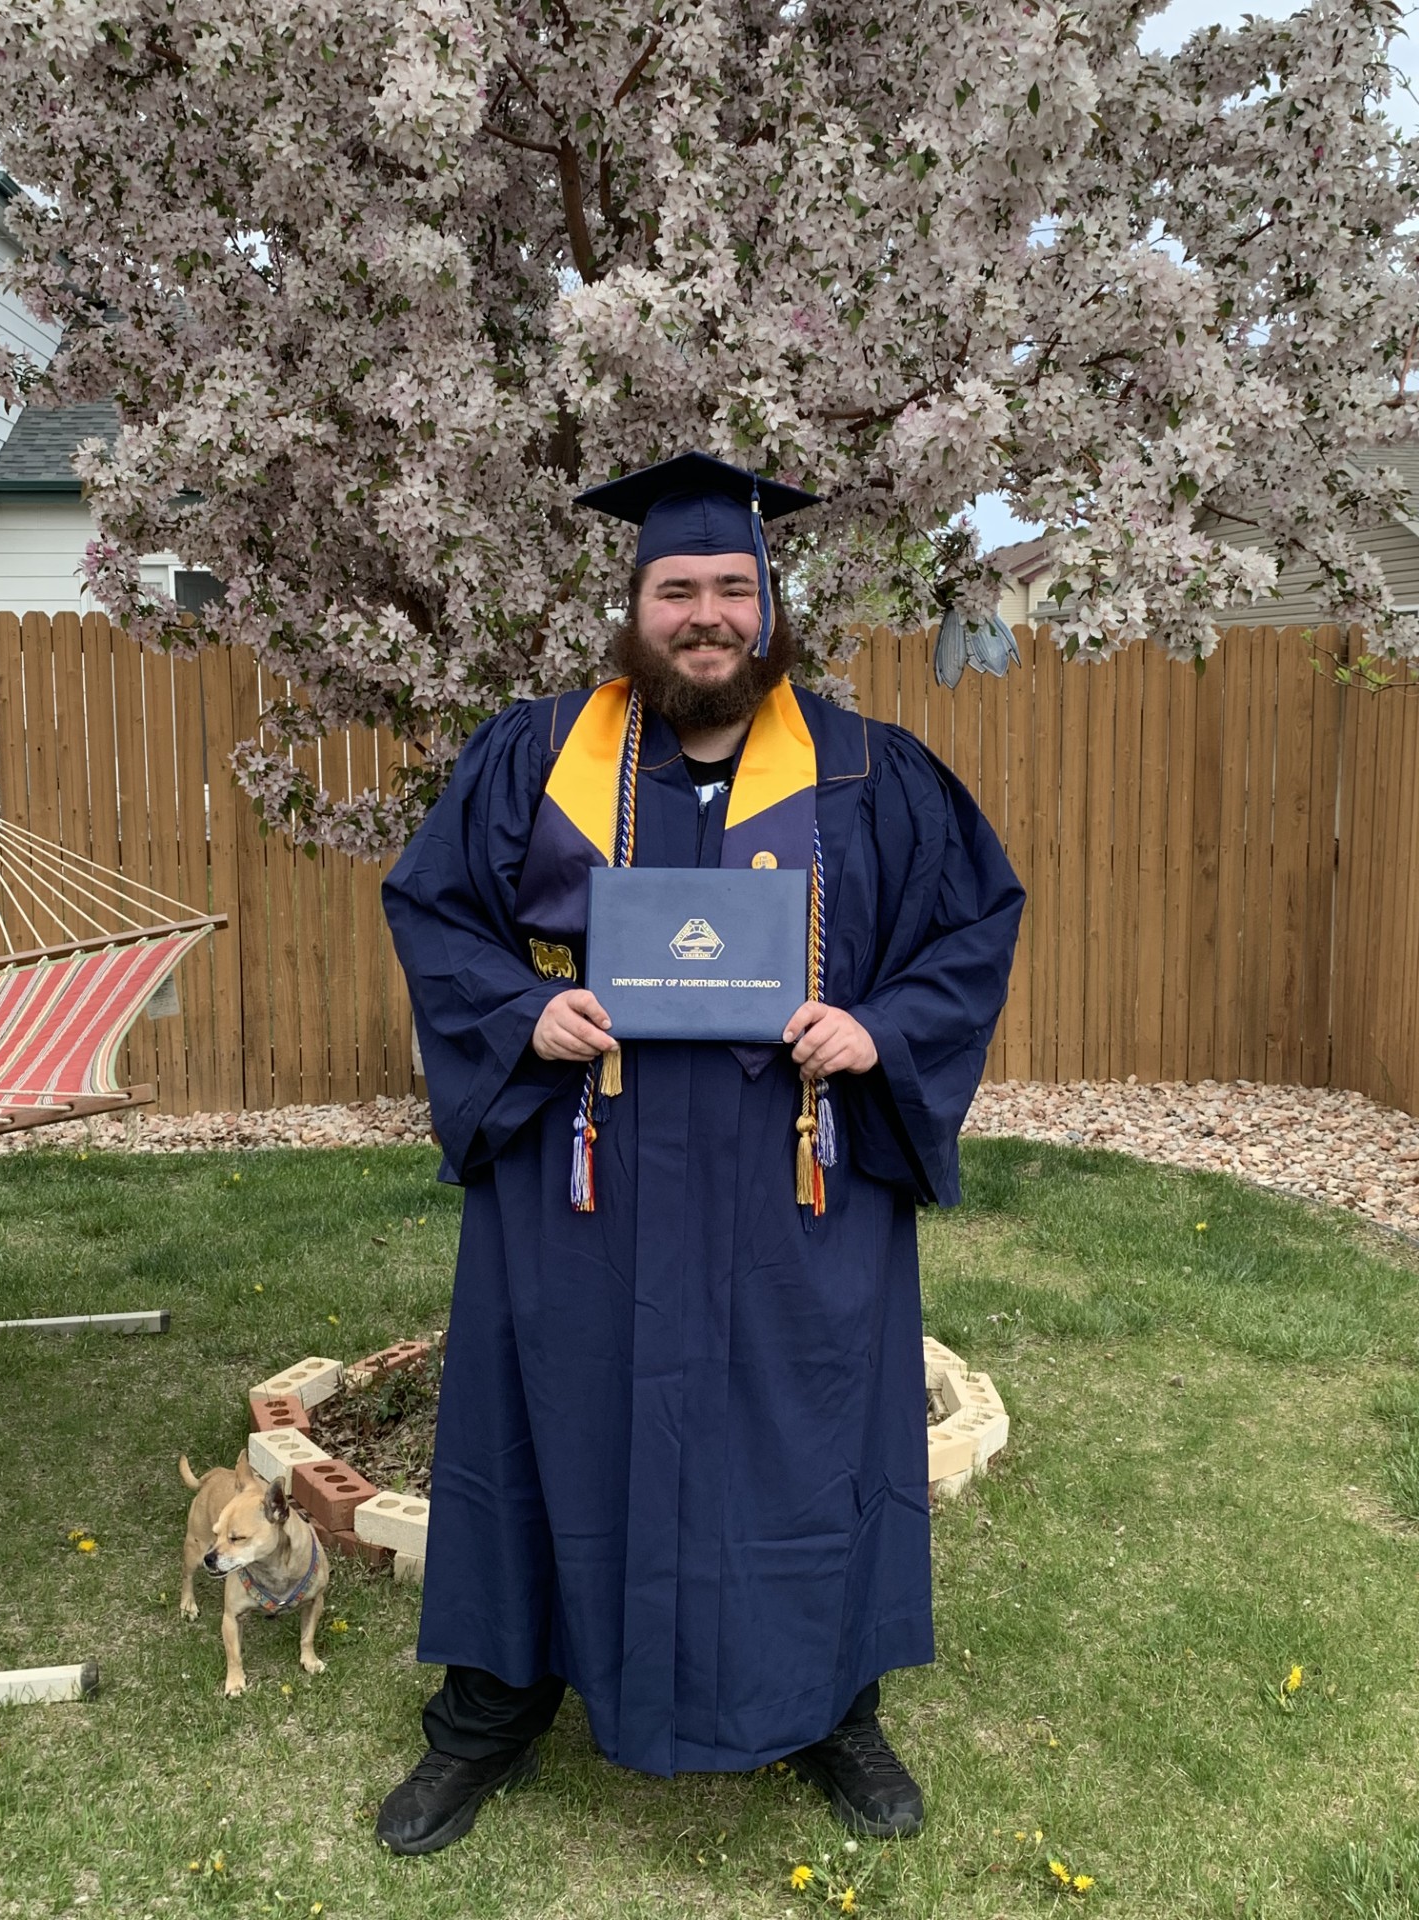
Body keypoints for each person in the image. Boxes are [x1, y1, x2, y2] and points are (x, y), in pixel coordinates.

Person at [377, 451, 1024, 1857]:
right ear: (636, 603)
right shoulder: (536, 756)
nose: (708, 615)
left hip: (793, 1181)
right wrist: (521, 1010)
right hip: (582, 1171)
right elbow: (434, 910)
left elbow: (974, 928)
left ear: (769, 603)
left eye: (735, 587)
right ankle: (488, 1710)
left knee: (810, 1432)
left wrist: (879, 1030)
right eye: (679, 589)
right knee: (542, 1424)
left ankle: (834, 1704)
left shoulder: (867, 770)